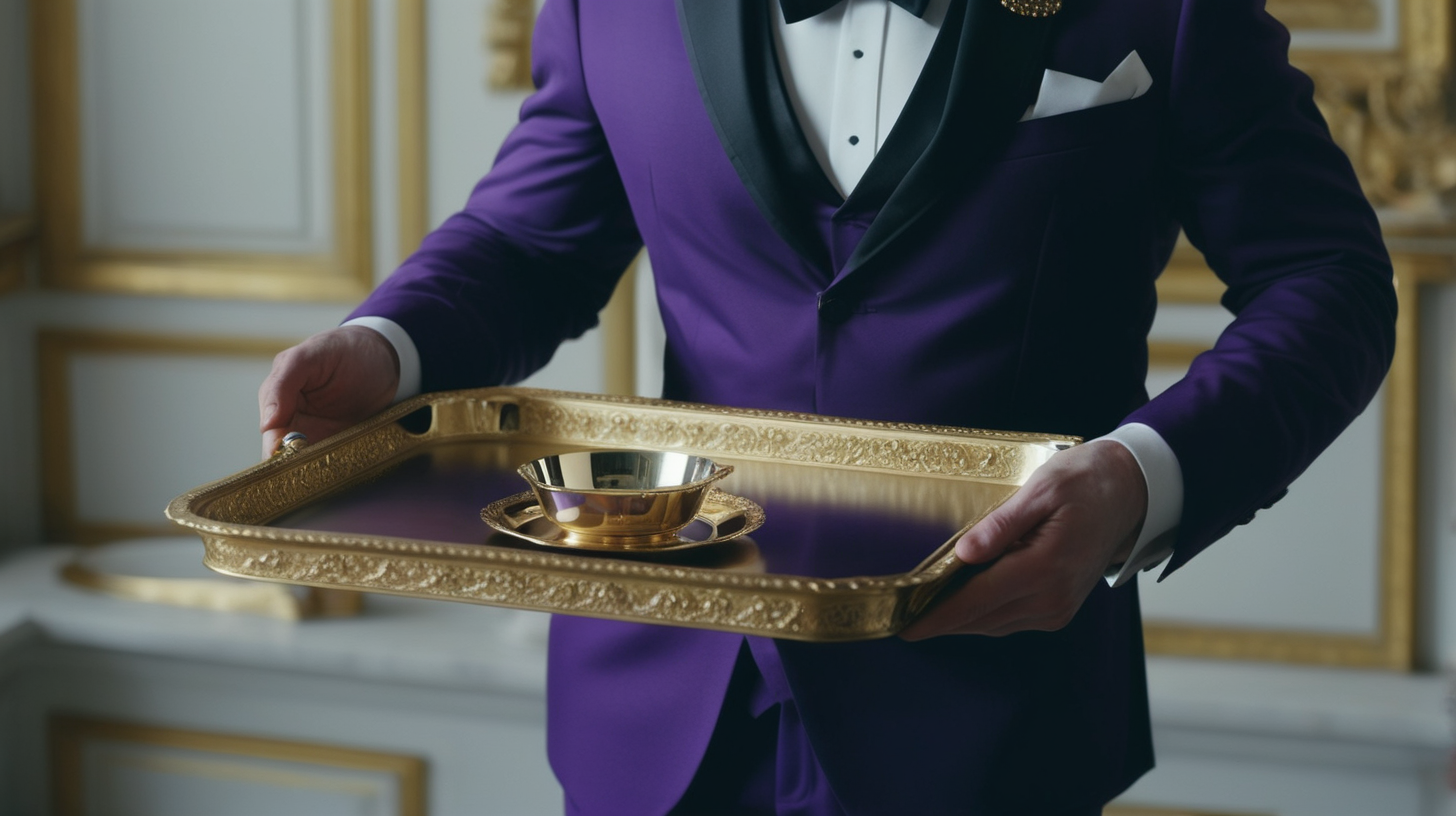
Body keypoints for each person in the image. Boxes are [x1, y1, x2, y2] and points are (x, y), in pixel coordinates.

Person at [258, 0, 1397, 813]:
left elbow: (1327, 280)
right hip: (657, 709)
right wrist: (389, 345)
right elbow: (525, 238)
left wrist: (1143, 479)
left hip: (992, 701)